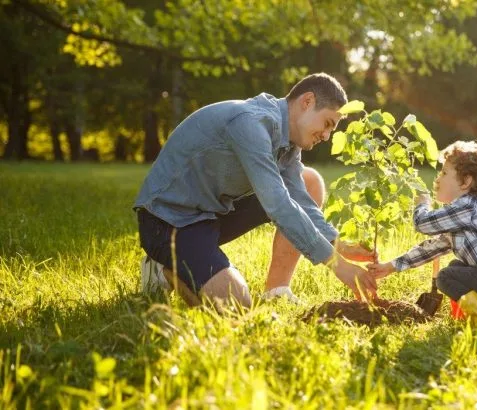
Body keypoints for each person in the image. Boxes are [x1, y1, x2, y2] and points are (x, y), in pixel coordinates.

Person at [134, 72, 377, 307]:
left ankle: (277, 291)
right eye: (327, 124)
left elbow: (300, 200)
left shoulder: (289, 143)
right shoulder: (252, 123)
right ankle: (164, 268)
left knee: (308, 181)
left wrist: (339, 245)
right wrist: (339, 266)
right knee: (236, 304)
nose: (325, 135)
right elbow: (279, 205)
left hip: (210, 213)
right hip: (168, 221)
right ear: (307, 101)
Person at [367, 141, 477, 325]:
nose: (438, 179)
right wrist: (390, 266)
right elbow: (431, 248)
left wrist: (422, 204)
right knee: (455, 267)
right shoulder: (463, 216)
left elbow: (422, 224)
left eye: (444, 173)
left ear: (466, 182)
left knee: (446, 277)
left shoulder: (467, 206)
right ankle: (466, 317)